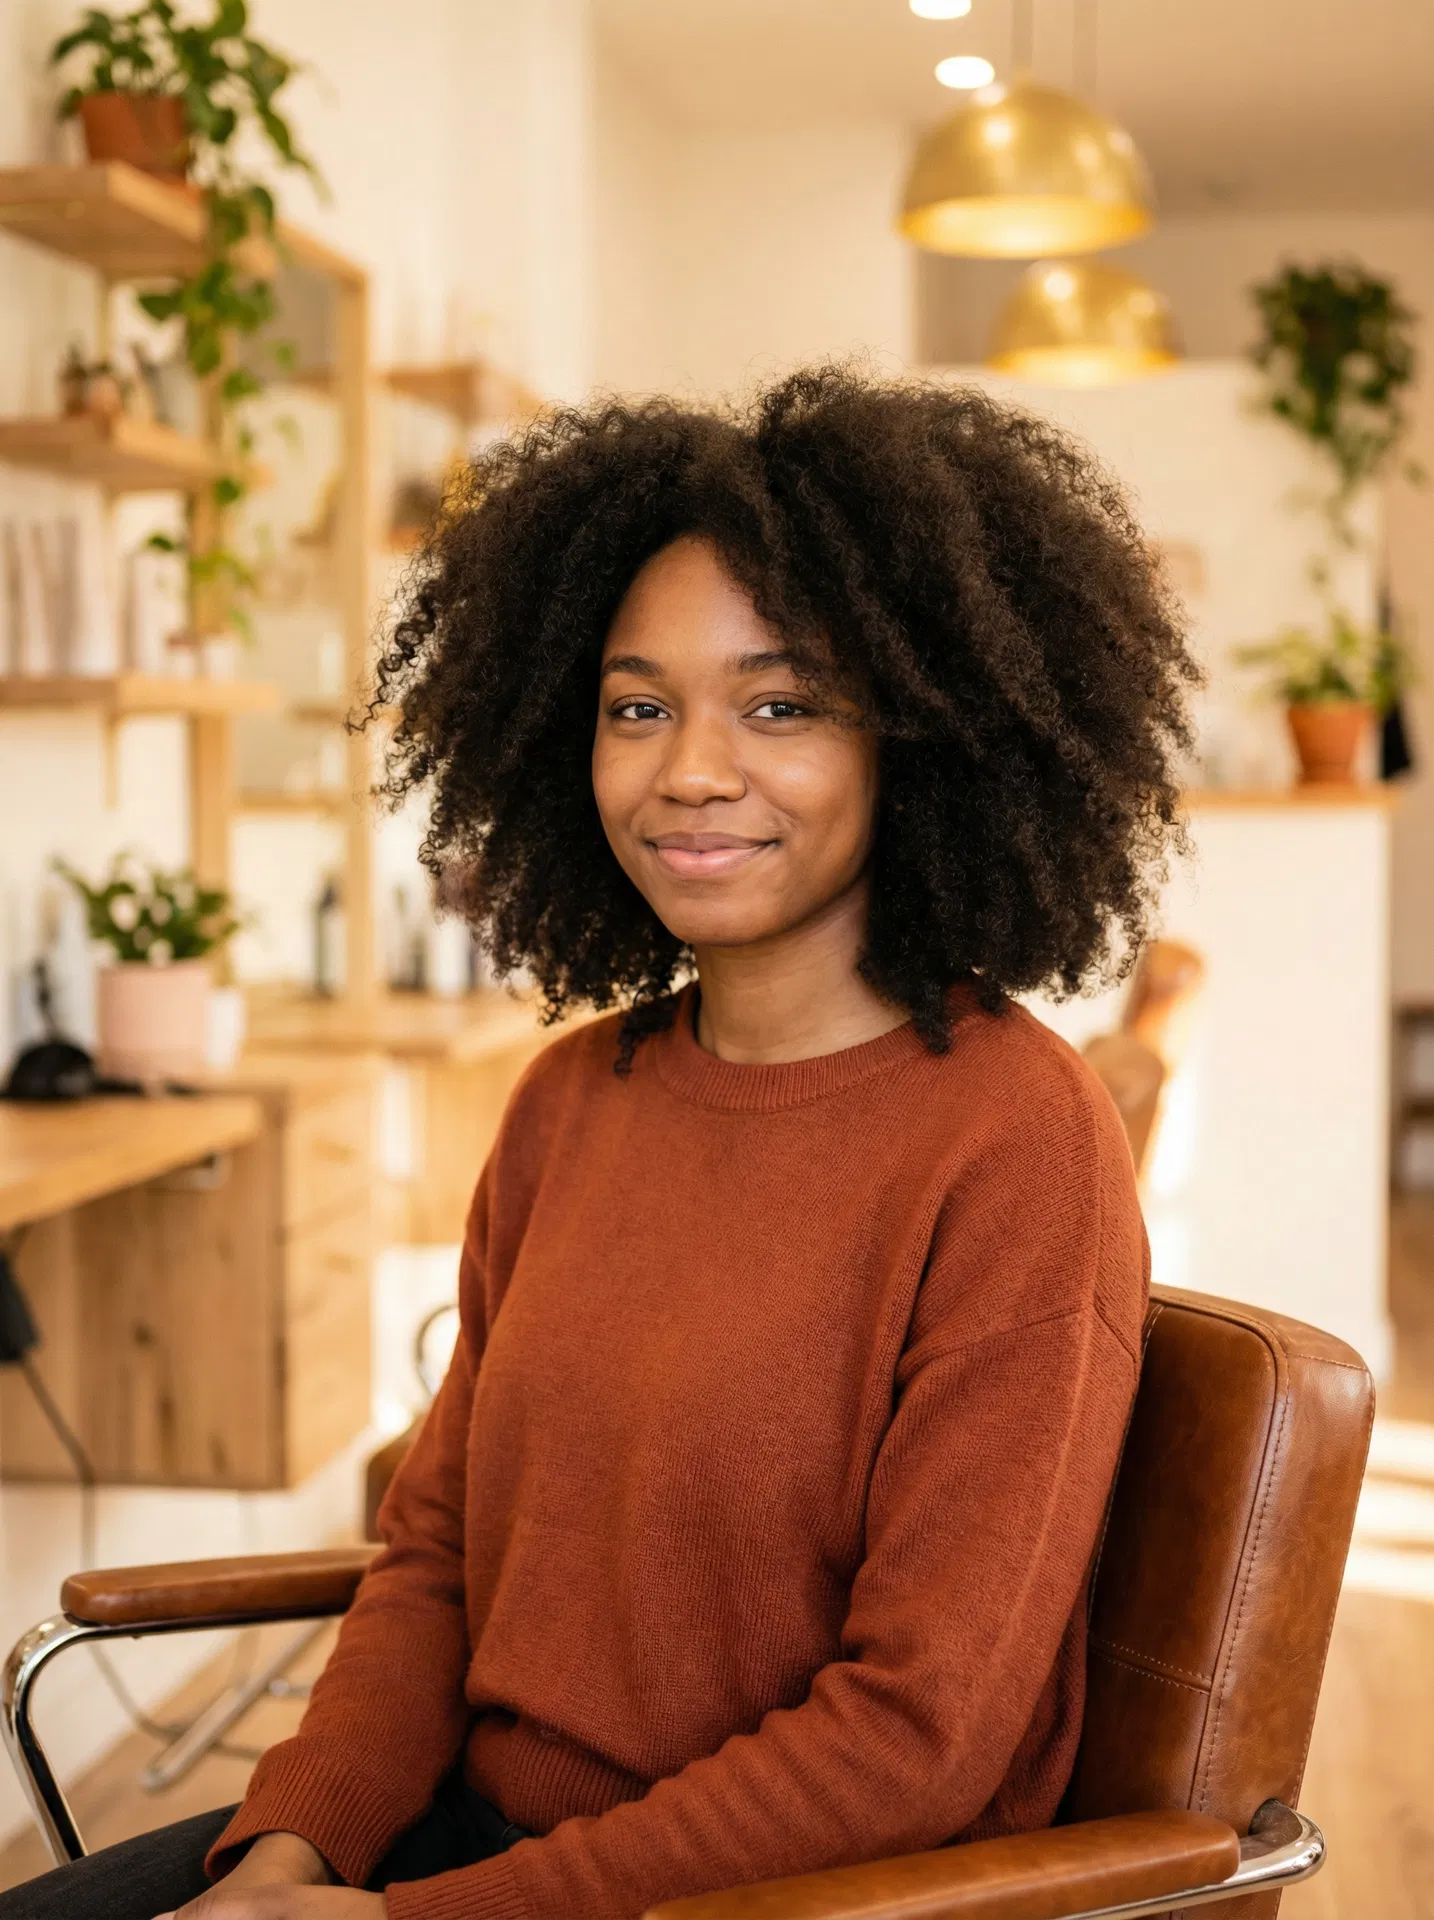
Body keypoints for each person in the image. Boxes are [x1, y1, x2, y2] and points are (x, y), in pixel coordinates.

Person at [5, 367, 1198, 1920]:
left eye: (780, 705)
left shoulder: (1014, 1140)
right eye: (637, 706)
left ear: (925, 740)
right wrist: (290, 1852)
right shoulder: (570, 1102)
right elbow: (433, 1557)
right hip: (461, 1849)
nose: (688, 769)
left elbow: (918, 1738)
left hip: (777, 1901)